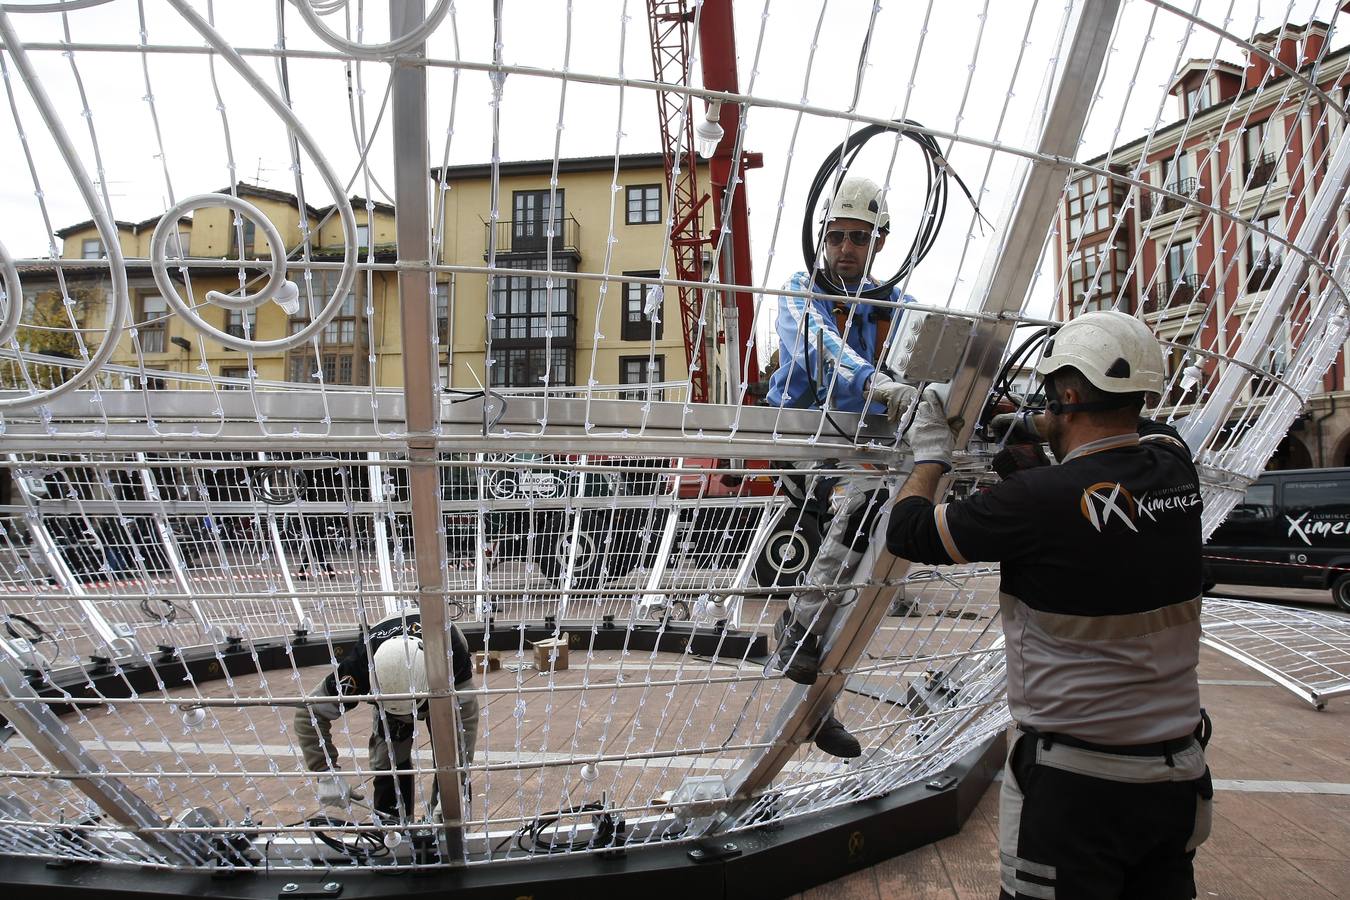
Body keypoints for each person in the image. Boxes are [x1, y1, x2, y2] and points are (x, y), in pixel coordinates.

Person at [884, 311, 1212, 898]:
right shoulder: (1174, 470)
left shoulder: (1032, 502)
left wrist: (931, 452)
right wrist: (1042, 423)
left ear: (1065, 391)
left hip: (1076, 789)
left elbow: (908, 531)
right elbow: (1152, 428)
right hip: (1176, 777)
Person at [763, 175, 917, 758]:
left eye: (858, 238)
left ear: (878, 241)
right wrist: (874, 380)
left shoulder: (894, 304)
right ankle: (800, 627)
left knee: (869, 570)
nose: (846, 248)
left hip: (863, 450)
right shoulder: (803, 290)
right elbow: (816, 345)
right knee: (863, 520)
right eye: (837, 237)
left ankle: (817, 686)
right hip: (805, 441)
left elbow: (917, 359)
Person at [295, 611, 479, 821]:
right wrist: (325, 772)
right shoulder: (360, 666)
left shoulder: (452, 660)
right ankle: (394, 825)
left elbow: (464, 732)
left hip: (439, 684)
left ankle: (448, 825)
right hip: (389, 694)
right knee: (387, 760)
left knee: (449, 755)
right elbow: (308, 711)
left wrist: (454, 792)